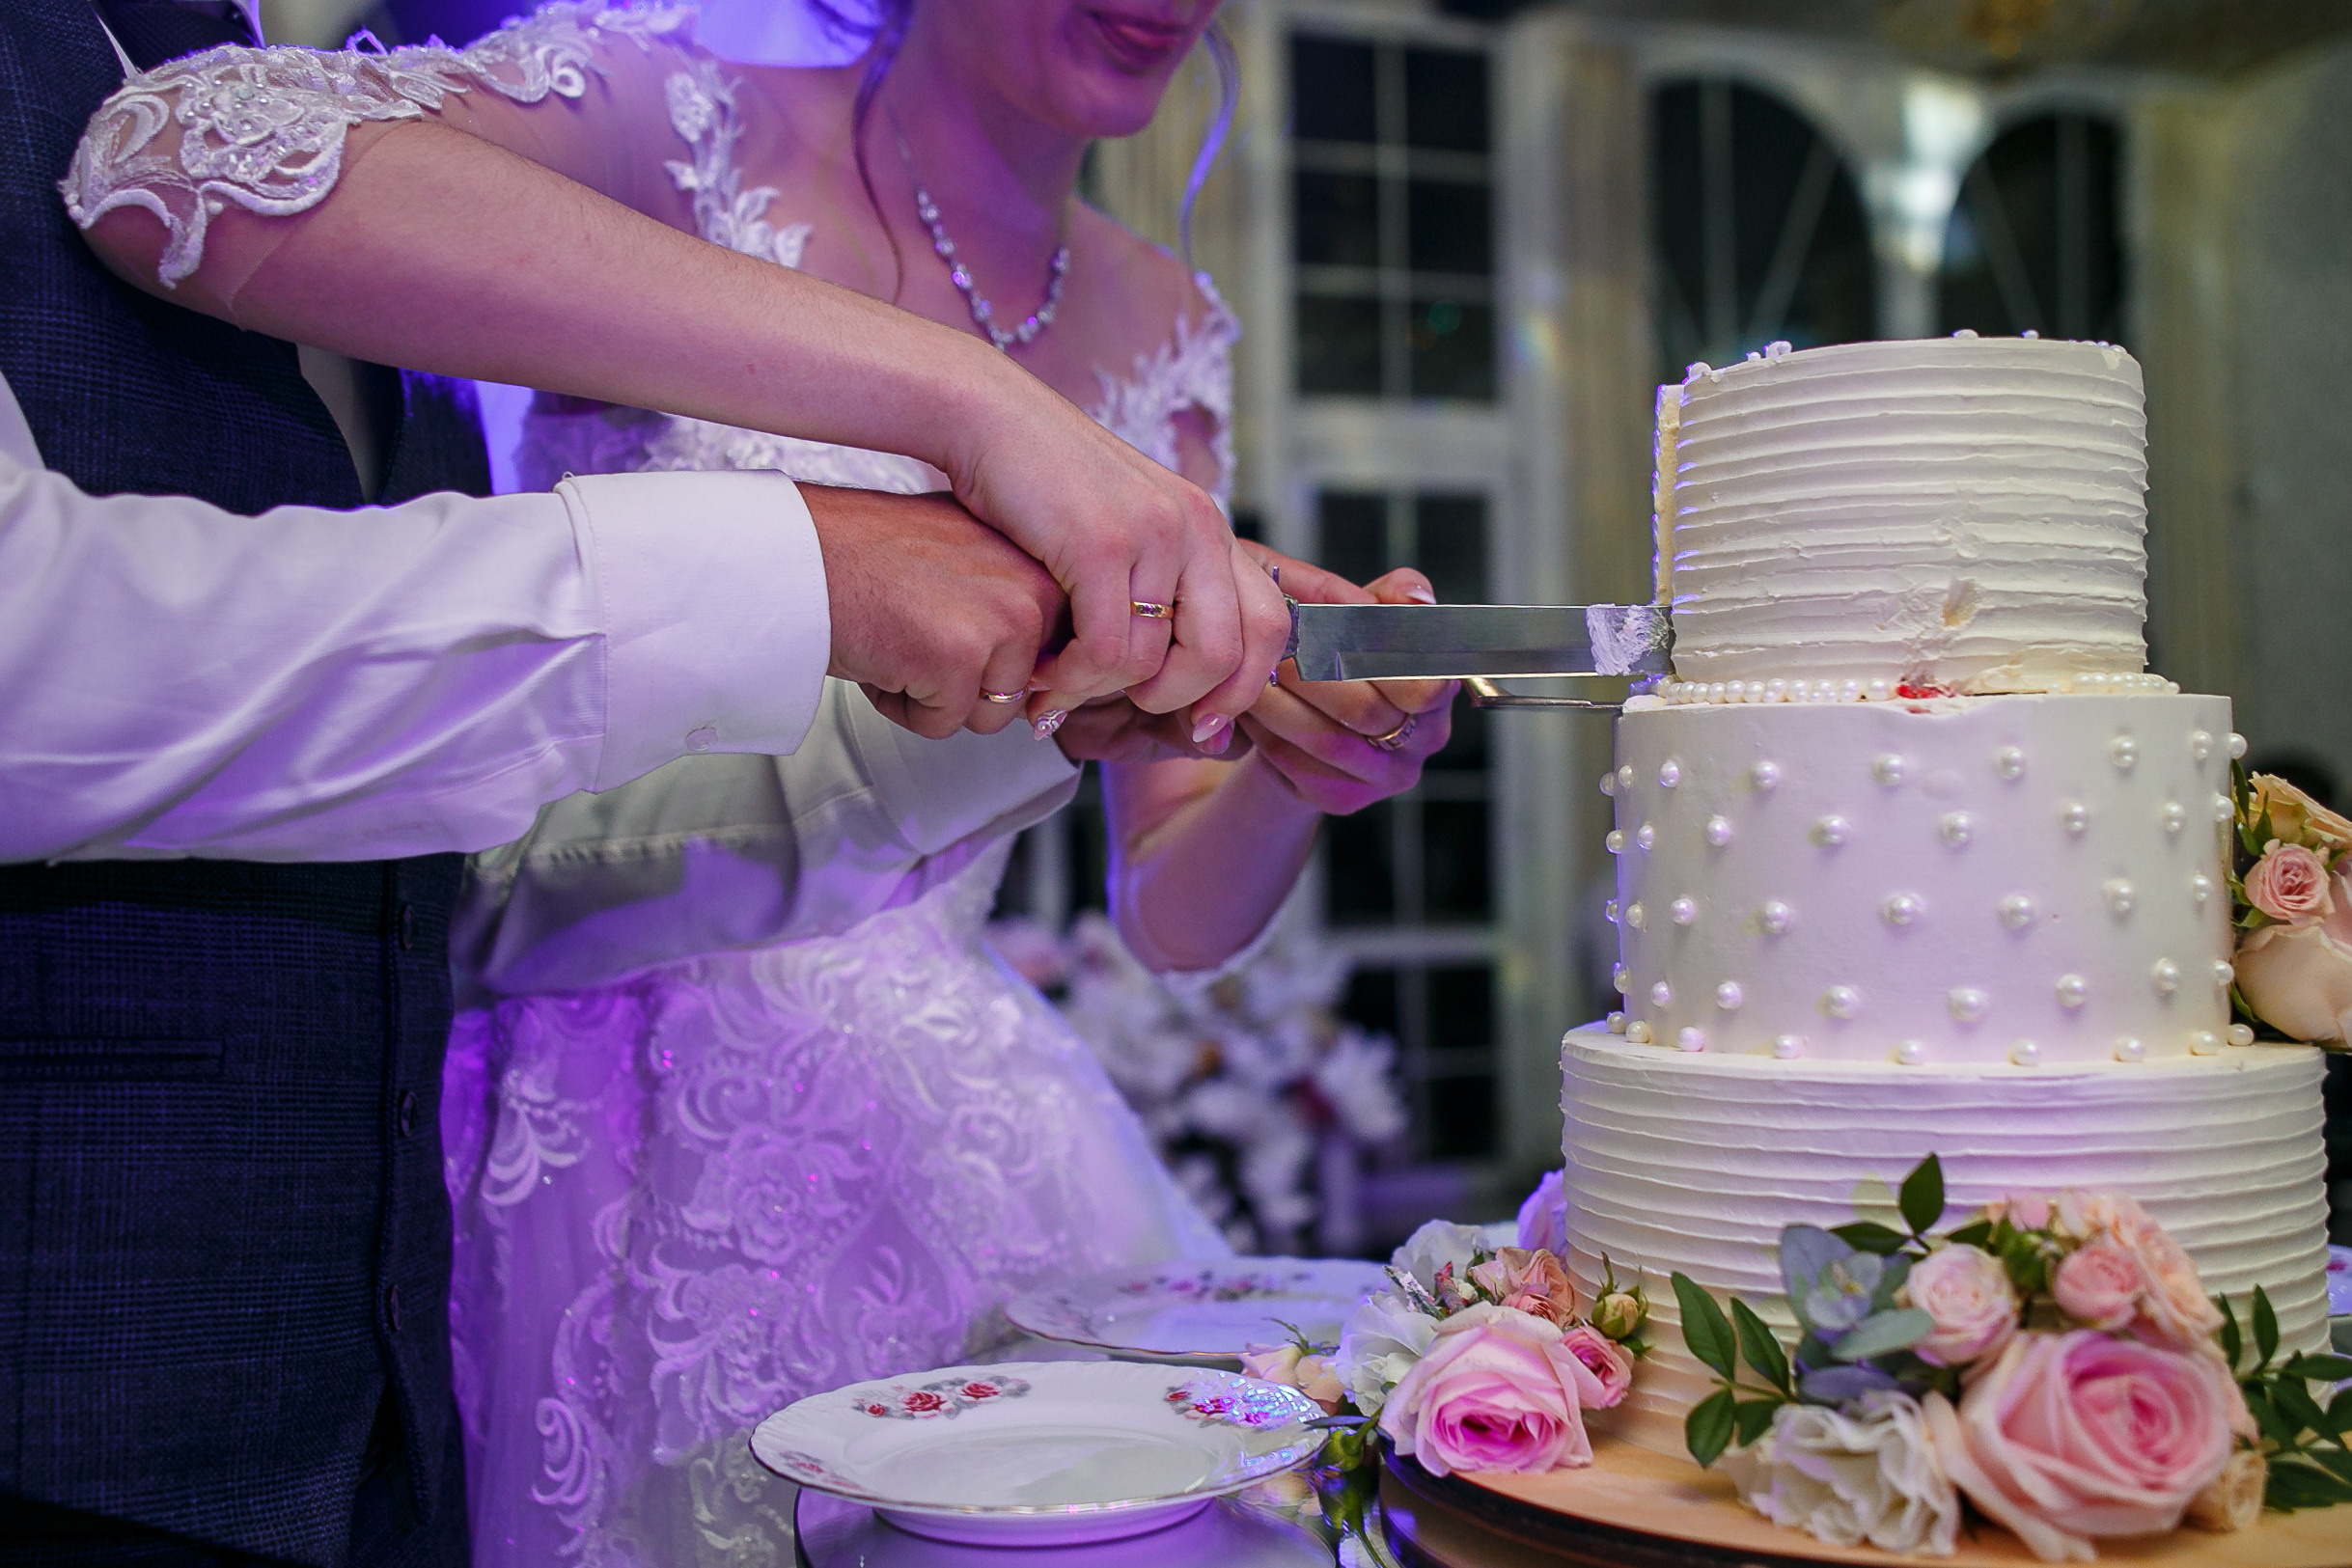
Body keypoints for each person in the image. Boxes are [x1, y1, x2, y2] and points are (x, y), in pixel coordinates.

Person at [65, 3, 1455, 1560]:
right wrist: (963, 396)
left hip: (936, 1118)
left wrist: (1298, 763)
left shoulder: (1164, 322)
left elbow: (1173, 912)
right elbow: (178, 159)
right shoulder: (675, 110)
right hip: (587, 1076)